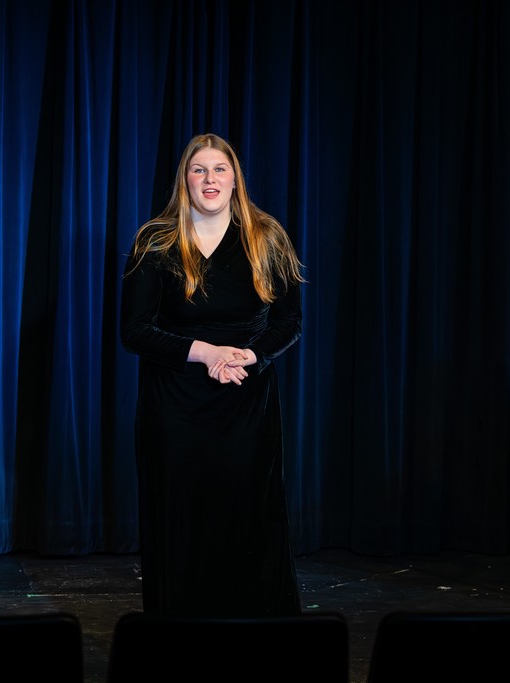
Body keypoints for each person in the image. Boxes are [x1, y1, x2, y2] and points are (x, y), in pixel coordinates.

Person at [120, 133, 306, 617]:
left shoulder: (267, 237)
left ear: (235, 179)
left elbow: (289, 321)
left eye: (219, 169)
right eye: (198, 169)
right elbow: (134, 331)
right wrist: (205, 353)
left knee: (247, 515)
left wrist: (248, 356)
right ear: (184, 179)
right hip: (175, 406)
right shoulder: (156, 241)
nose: (209, 179)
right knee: (180, 518)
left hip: (245, 402)